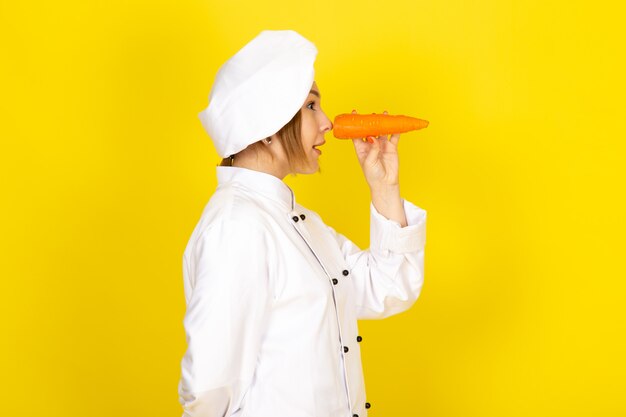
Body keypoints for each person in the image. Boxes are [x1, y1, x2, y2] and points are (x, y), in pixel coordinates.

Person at [178, 30, 427, 417]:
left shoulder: (300, 224)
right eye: (312, 105)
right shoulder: (237, 227)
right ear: (269, 125)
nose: (327, 123)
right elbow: (208, 389)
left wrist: (384, 185)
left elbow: (388, 287)